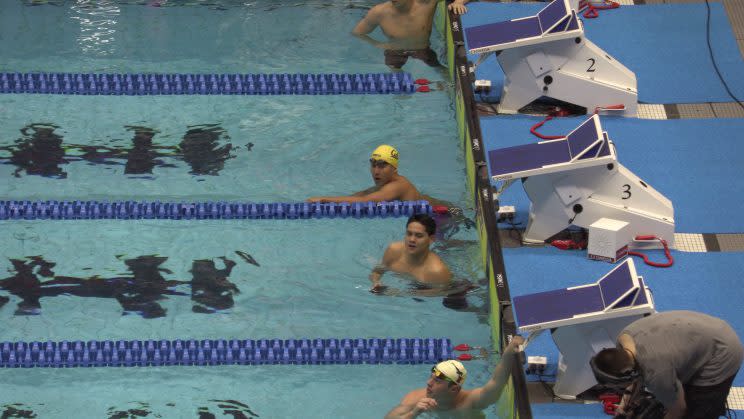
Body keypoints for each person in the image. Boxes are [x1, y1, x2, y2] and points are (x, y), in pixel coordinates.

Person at [590, 310, 743, 419]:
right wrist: (624, 405)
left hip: (722, 353)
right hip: (709, 328)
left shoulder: (657, 374)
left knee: (698, 411)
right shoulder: (624, 340)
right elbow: (633, 374)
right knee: (673, 391)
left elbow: (679, 411)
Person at [385, 336, 525, 418]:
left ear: (453, 389)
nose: (429, 383)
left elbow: (496, 382)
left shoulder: (470, 402)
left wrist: (508, 353)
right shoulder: (416, 398)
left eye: (437, 381)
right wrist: (413, 414)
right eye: (431, 377)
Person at [352, 0, 469, 70]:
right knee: (398, 85)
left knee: (443, 73)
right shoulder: (379, 12)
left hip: (423, 51)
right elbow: (357, 33)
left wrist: (458, 2)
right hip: (395, 52)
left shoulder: (426, 3)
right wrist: (377, 44)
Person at [308, 145, 421, 204]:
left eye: (382, 165)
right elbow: (361, 195)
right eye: (373, 165)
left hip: (436, 216)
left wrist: (324, 199)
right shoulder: (385, 184)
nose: (376, 171)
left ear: (394, 169)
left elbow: (365, 201)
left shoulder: (398, 186)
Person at [369, 214, 451, 292]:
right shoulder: (393, 251)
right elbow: (377, 271)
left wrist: (400, 293)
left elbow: (440, 292)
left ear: (431, 239)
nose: (412, 239)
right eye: (409, 234)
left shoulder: (437, 271)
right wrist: (376, 282)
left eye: (419, 236)